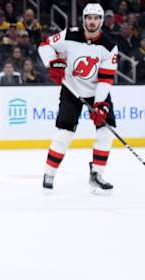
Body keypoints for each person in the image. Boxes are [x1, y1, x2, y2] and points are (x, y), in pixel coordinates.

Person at [38, 3, 118, 192]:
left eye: (96, 18)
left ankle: (96, 174)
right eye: (89, 18)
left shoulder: (109, 46)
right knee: (65, 133)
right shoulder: (69, 34)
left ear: (101, 21)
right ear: (84, 19)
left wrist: (99, 104)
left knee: (106, 132)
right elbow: (44, 46)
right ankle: (49, 174)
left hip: (96, 91)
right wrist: (53, 64)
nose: (92, 21)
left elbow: (105, 79)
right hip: (71, 89)